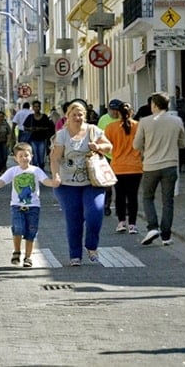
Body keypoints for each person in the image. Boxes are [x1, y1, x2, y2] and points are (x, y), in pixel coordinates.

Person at [49, 100, 113, 266]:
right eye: (74, 115)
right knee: (74, 219)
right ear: (67, 116)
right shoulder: (62, 135)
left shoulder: (93, 130)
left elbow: (109, 146)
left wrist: (98, 147)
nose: (77, 118)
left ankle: (91, 246)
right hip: (67, 185)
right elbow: (55, 158)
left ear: (85, 116)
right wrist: (56, 176)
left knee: (95, 213)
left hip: (93, 181)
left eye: (80, 115)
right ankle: (75, 255)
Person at [0, 143, 59, 267]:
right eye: (21, 156)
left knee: (31, 231)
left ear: (32, 156)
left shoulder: (36, 170)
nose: (24, 158)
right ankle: (17, 251)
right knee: (18, 228)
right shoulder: (13, 171)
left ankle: (28, 257)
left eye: (26, 155)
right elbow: (2, 182)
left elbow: (45, 181)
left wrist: (53, 182)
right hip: (17, 206)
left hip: (33, 207)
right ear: (15, 158)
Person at [134, 92, 185, 246]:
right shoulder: (177, 121)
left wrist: (146, 147)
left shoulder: (145, 122)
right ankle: (166, 236)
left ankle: (152, 227)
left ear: (155, 105)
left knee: (148, 197)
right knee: (168, 201)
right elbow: (183, 143)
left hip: (150, 165)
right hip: (170, 165)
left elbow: (136, 145)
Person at [104, 102, 143, 234]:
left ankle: (121, 222)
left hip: (117, 166)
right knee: (133, 196)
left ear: (118, 113)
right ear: (131, 112)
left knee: (119, 195)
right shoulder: (138, 126)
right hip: (135, 166)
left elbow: (106, 146)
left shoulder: (111, 127)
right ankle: (132, 224)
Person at [97, 99, 122, 216]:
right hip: (107, 156)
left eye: (117, 110)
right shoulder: (103, 119)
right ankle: (106, 205)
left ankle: (121, 207)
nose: (115, 112)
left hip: (120, 156)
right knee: (107, 184)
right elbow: (97, 136)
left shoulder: (123, 119)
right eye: (112, 110)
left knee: (120, 184)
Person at [22, 100, 55, 169]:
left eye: (38, 106)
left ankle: (41, 169)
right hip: (32, 139)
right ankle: (35, 171)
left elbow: (48, 127)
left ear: (40, 107)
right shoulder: (30, 117)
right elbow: (25, 127)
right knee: (34, 158)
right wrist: (31, 129)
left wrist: (40, 128)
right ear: (33, 108)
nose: (36, 108)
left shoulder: (44, 117)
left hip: (42, 139)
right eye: (35, 106)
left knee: (41, 158)